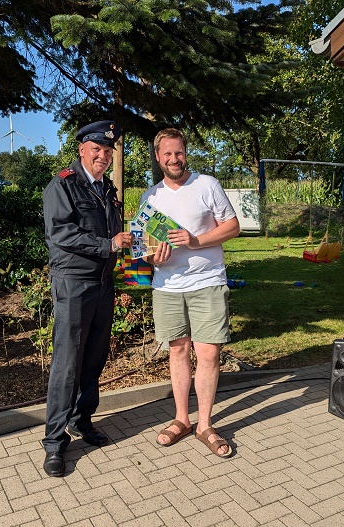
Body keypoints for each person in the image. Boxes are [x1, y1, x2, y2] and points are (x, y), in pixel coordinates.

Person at [40, 120, 134, 477]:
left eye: (108, 151)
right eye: (97, 149)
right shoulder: (63, 184)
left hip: (103, 283)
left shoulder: (107, 189)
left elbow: (114, 232)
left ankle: (82, 421)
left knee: (94, 357)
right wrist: (107, 244)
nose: (103, 156)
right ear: (82, 150)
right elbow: (61, 233)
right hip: (74, 283)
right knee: (68, 363)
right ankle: (54, 442)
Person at [142, 128, 240, 458]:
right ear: (158, 157)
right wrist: (153, 257)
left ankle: (205, 425)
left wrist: (195, 240)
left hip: (207, 282)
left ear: (186, 153)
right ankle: (182, 419)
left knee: (209, 354)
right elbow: (144, 252)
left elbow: (233, 226)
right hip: (167, 287)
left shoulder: (207, 184)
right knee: (178, 351)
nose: (174, 159)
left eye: (179, 152)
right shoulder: (150, 198)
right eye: (168, 154)